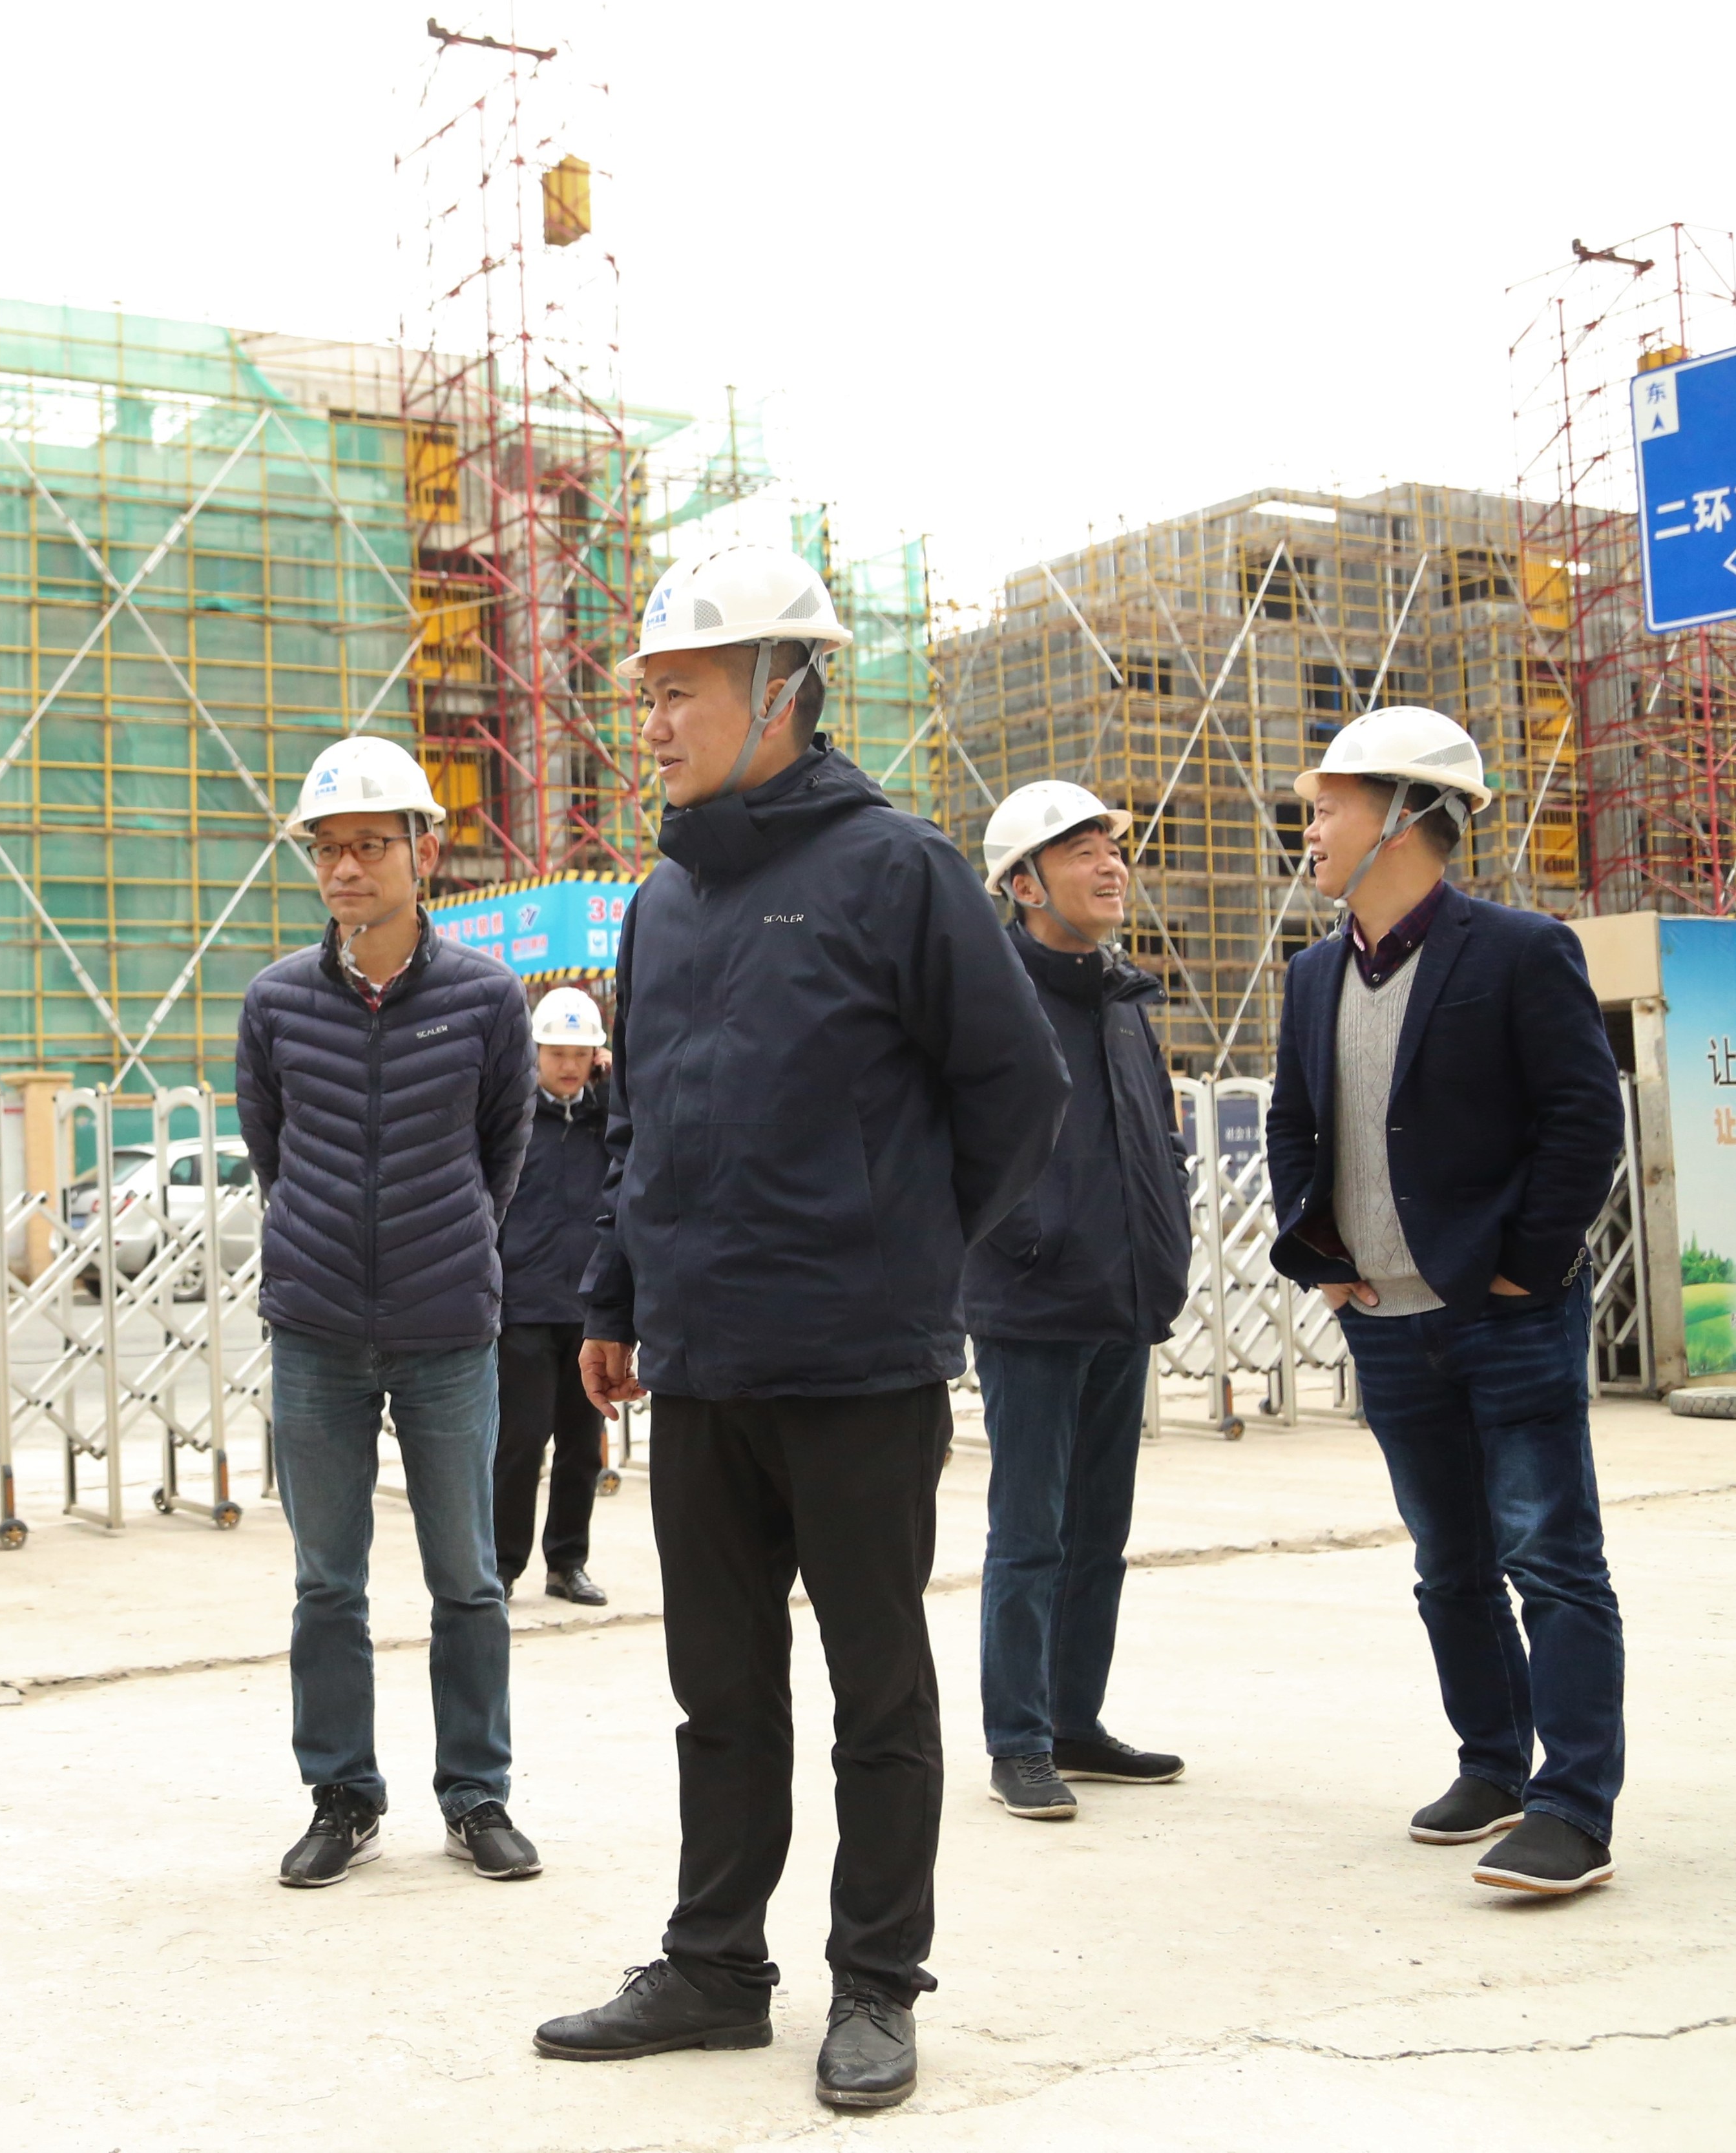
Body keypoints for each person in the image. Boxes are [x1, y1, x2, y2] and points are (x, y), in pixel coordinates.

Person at [537, 545, 1066, 2114]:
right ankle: (713, 1966)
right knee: (719, 1692)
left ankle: (876, 1981)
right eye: (643, 695)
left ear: (780, 687)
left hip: (856, 1365)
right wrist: (618, 1295)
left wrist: (901, 1251)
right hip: (700, 1366)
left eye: (679, 691)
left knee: (876, 1693)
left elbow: (1015, 1087)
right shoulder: (662, 900)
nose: (650, 722)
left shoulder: (897, 867)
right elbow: (640, 1125)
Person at [1266, 705, 1625, 1897]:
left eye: (1328, 806)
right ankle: (1493, 1764)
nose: (1310, 828)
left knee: (1551, 1557)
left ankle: (1574, 1808)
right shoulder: (1314, 972)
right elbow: (1295, 1125)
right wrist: (1320, 1256)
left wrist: (1526, 1263)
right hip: (1386, 1320)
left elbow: (1584, 1118)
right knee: (1448, 1564)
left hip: (1506, 1312)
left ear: (1406, 814)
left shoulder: (1520, 950)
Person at [234, 734, 539, 1891]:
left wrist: (445, 1245)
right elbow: (275, 1153)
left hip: (448, 1328)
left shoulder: (487, 998)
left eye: (370, 845)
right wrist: (326, 1247)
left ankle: (477, 1794)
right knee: (328, 1581)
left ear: (425, 851)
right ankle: (344, 1795)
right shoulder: (275, 1002)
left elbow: (500, 1152)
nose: (346, 868)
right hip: (316, 1328)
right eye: (328, 849)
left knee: (468, 1576)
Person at [962, 782, 1195, 1824]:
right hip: (1030, 1298)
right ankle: (1017, 1738)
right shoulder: (987, 998)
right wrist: (1026, 1234)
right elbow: (958, 1143)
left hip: (1121, 1292)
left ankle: (1073, 1721)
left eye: (1113, 846)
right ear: (1024, 883)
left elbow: (1155, 1138)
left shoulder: (1126, 998)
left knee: (1100, 1529)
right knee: (1030, 1531)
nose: (1111, 864)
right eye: (1082, 850)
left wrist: (1166, 1235)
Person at [494, 984, 614, 1608]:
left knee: (582, 1447)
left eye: (581, 1053)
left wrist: (614, 1086)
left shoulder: (608, 1122)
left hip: (591, 1309)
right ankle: (501, 1566)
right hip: (524, 1307)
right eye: (556, 1053)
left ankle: (567, 1562)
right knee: (520, 1443)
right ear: (534, 1053)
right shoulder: (511, 1121)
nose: (569, 1065)